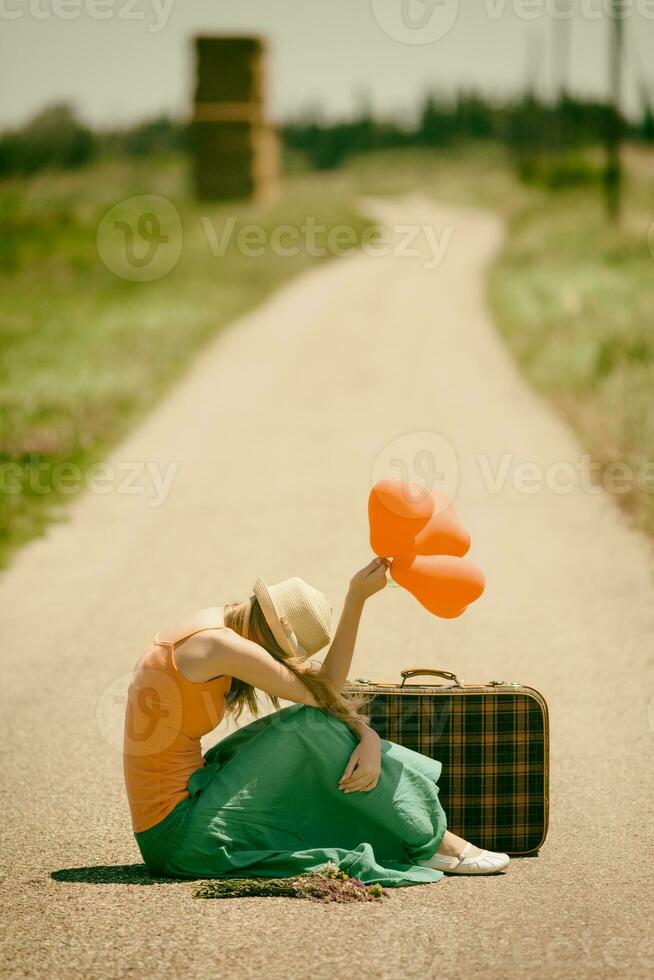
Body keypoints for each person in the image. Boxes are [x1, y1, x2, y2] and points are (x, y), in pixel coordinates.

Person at [123, 558, 510, 886]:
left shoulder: (213, 625)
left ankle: (427, 831)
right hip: (179, 835)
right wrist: (355, 601)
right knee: (306, 728)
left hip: (188, 803)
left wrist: (363, 732)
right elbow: (325, 691)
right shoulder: (220, 646)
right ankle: (434, 841)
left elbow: (324, 689)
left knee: (300, 724)